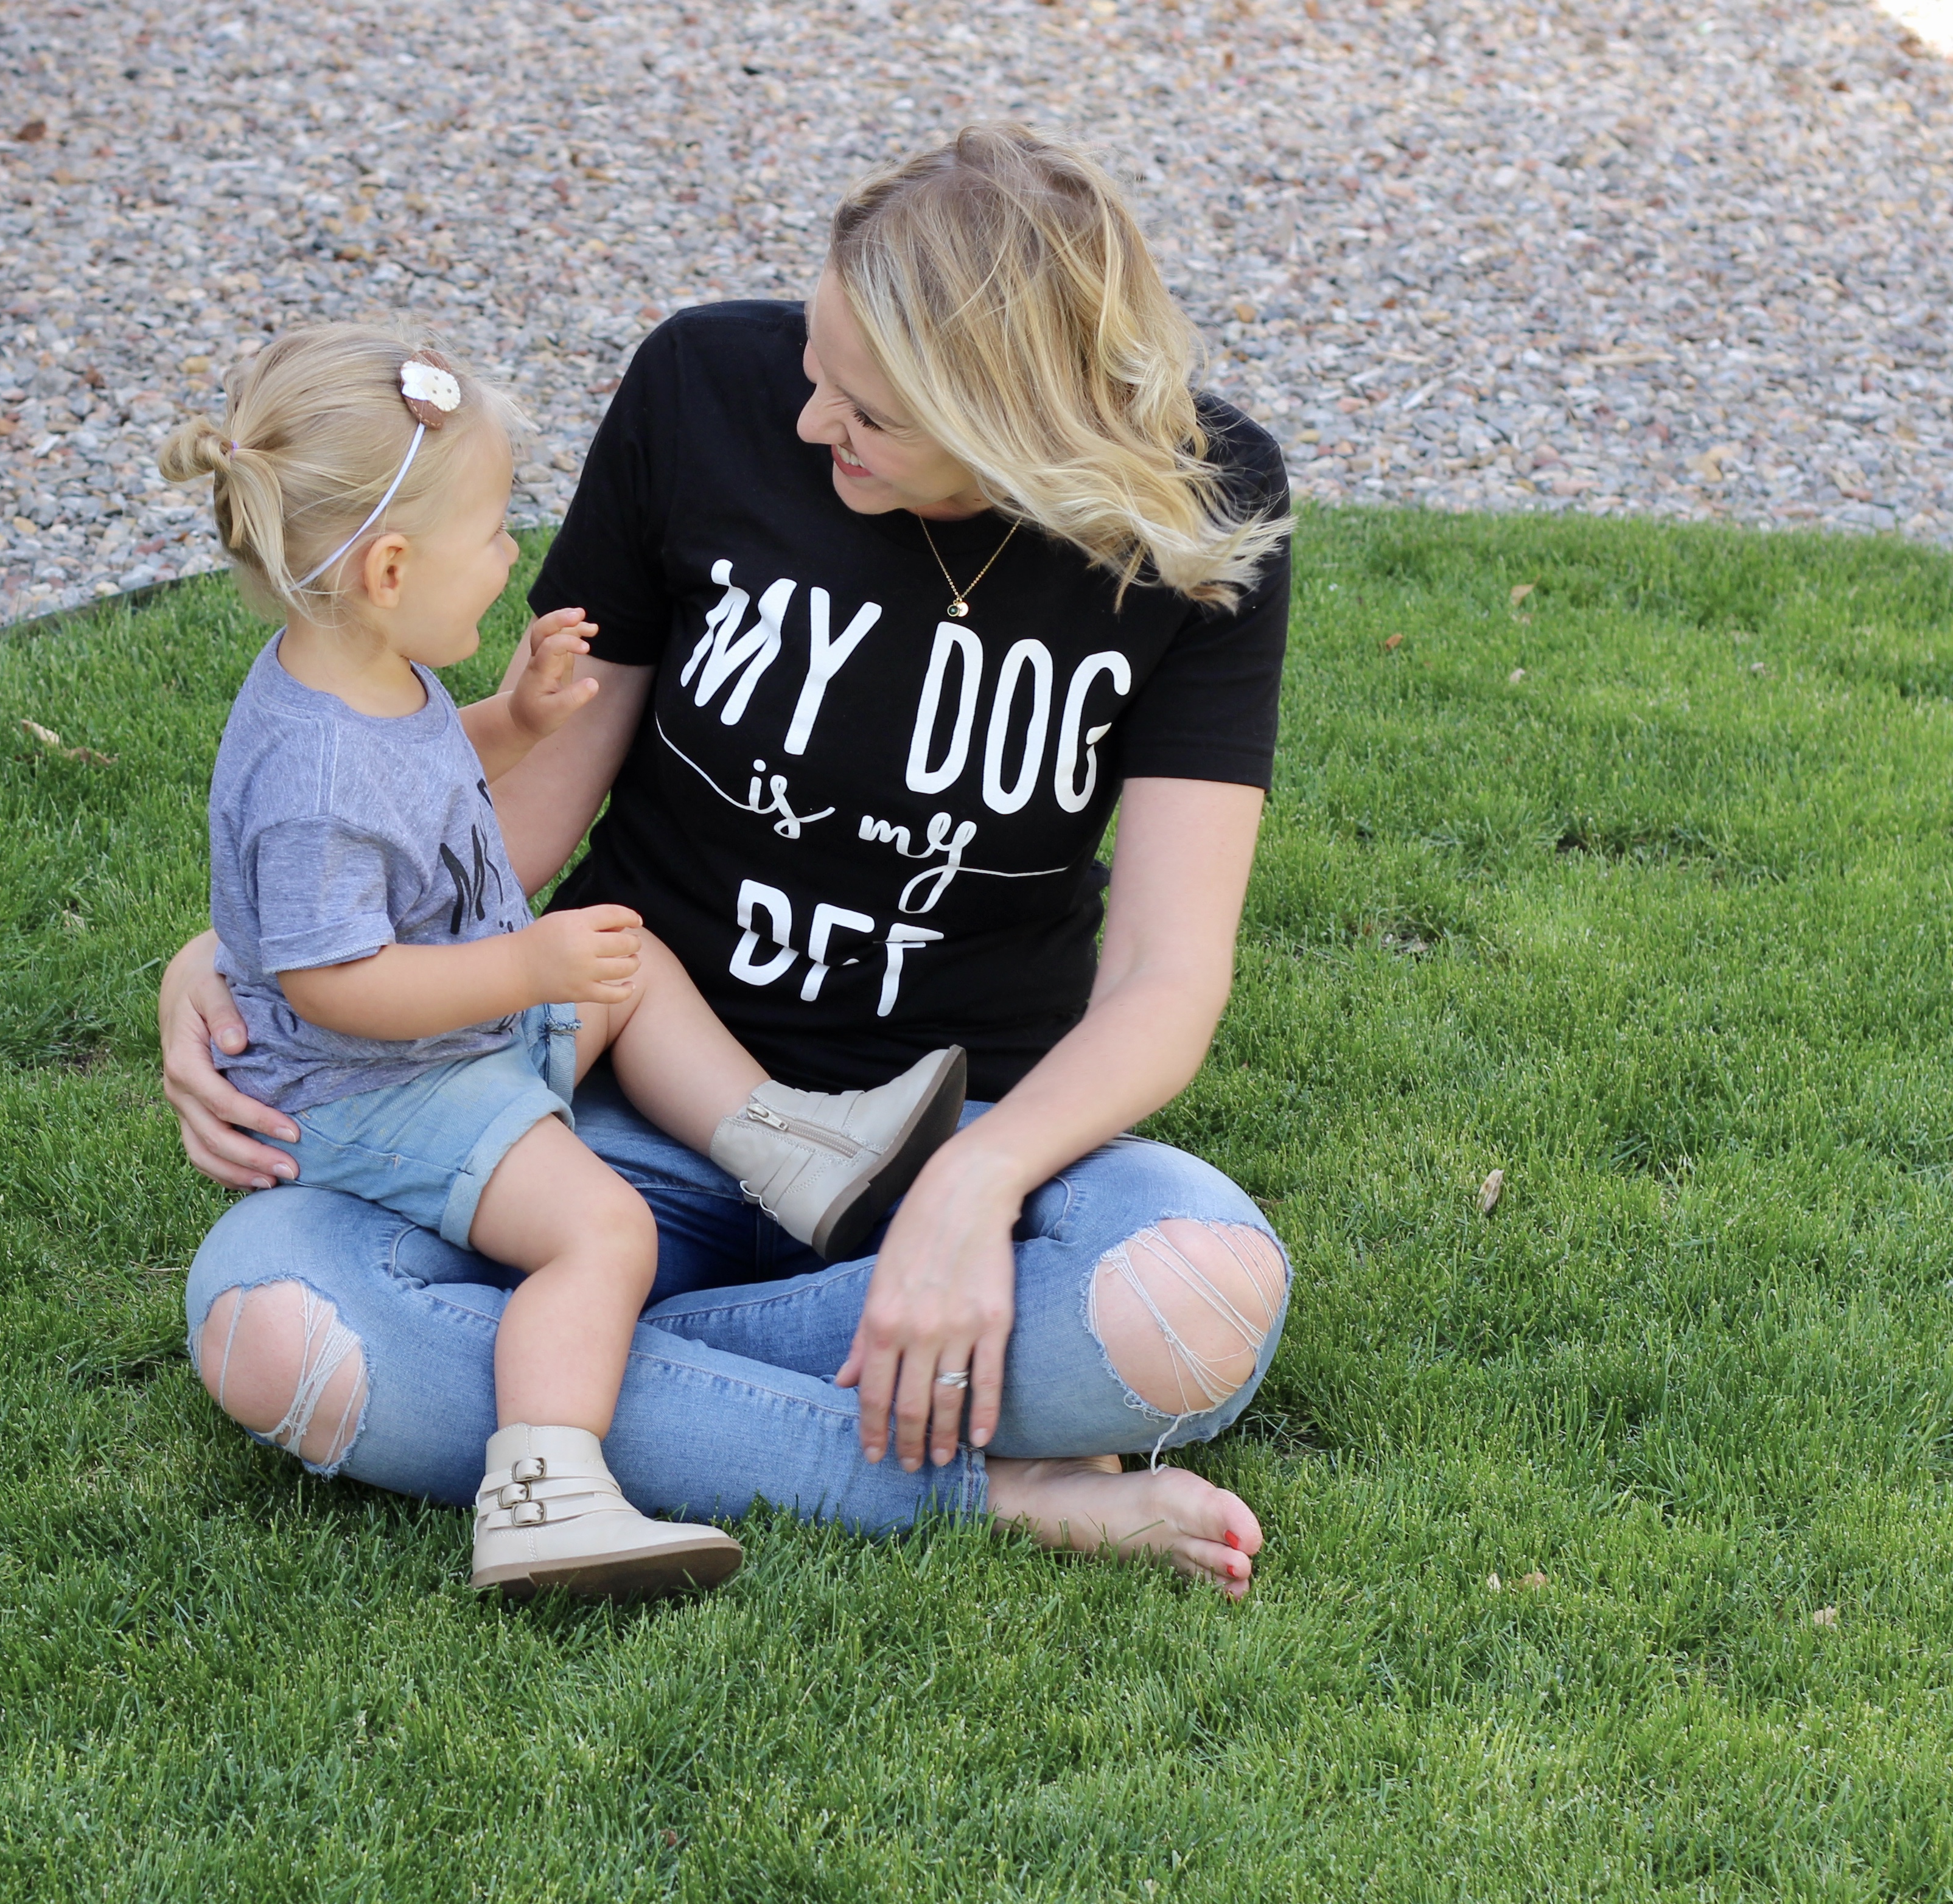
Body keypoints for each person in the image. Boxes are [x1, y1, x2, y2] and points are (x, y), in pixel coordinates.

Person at [161, 124, 1296, 1597]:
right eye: (816, 361)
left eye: (865, 409)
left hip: (948, 1136)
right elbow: (508, 820)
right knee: (269, 1302)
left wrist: (972, 1192)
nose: (810, 416)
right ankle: (957, 1477)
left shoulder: (1196, 513)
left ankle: (579, 1378)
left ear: (1006, 422)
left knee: (1191, 1291)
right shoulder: (704, 391)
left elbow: (1161, 970)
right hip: (590, 1115)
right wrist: (242, 953)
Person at [161, 327, 967, 1597]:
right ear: (386, 567)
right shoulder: (310, 770)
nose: (510, 560)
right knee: (602, 1225)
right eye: (490, 535)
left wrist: (517, 720)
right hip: (376, 1096)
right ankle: (543, 1482)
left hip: (442, 1044)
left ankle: (792, 1149)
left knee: (627, 958)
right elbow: (334, 987)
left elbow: (424, 779)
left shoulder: (369, 673)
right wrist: (523, 966)